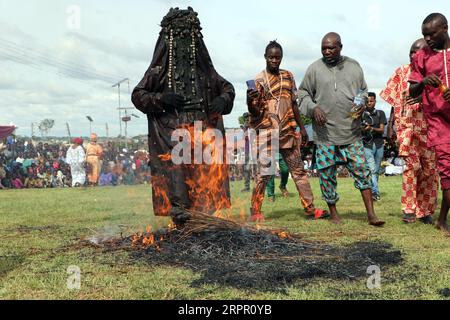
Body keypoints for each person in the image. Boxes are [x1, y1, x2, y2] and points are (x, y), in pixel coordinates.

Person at [132, 7, 235, 226]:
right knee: (178, 184)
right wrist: (162, 99)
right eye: (179, 36)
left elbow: (227, 88)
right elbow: (138, 95)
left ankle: (205, 224)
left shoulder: (205, 72)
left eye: (189, 37)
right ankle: (182, 226)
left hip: (202, 136)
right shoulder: (159, 71)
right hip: (173, 137)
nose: (184, 43)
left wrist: (223, 100)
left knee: (204, 183)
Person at [298, 32, 385, 226]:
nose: (327, 51)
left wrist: (362, 101)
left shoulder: (353, 66)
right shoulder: (314, 69)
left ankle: (371, 214)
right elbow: (302, 94)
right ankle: (334, 213)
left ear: (340, 47)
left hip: (351, 132)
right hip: (325, 134)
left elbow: (363, 90)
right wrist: (313, 108)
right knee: (326, 174)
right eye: (323, 48)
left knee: (362, 170)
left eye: (331, 48)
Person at [247, 40, 327, 222]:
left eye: (278, 57)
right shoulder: (258, 80)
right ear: (265, 57)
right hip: (266, 133)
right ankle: (255, 210)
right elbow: (255, 112)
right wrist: (249, 101)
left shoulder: (289, 76)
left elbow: (293, 104)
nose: (275, 60)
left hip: (288, 131)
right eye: (271, 57)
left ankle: (310, 208)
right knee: (264, 173)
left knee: (298, 171)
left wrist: (301, 129)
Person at [380, 38, 439, 224]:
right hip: (407, 129)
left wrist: (424, 100)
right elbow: (394, 100)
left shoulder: (436, 73)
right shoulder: (401, 72)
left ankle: (425, 210)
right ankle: (409, 209)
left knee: (429, 171)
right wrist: (390, 126)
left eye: (417, 52)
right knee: (410, 169)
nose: (413, 55)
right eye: (411, 52)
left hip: (430, 130)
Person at [409, 13, 450, 233]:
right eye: (424, 35)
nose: (427, 39)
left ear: (445, 28)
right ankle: (442, 220)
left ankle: (441, 218)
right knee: (447, 171)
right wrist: (423, 82)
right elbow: (411, 90)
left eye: (431, 34)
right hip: (438, 122)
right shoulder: (422, 57)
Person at [361, 92, 387, 201]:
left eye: (371, 101)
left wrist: (371, 128)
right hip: (367, 144)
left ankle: (373, 190)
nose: (369, 103)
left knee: (376, 170)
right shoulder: (361, 115)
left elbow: (382, 130)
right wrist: (363, 129)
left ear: (375, 101)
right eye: (367, 101)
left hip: (379, 144)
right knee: (372, 170)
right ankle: (375, 193)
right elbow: (358, 129)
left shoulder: (380, 113)